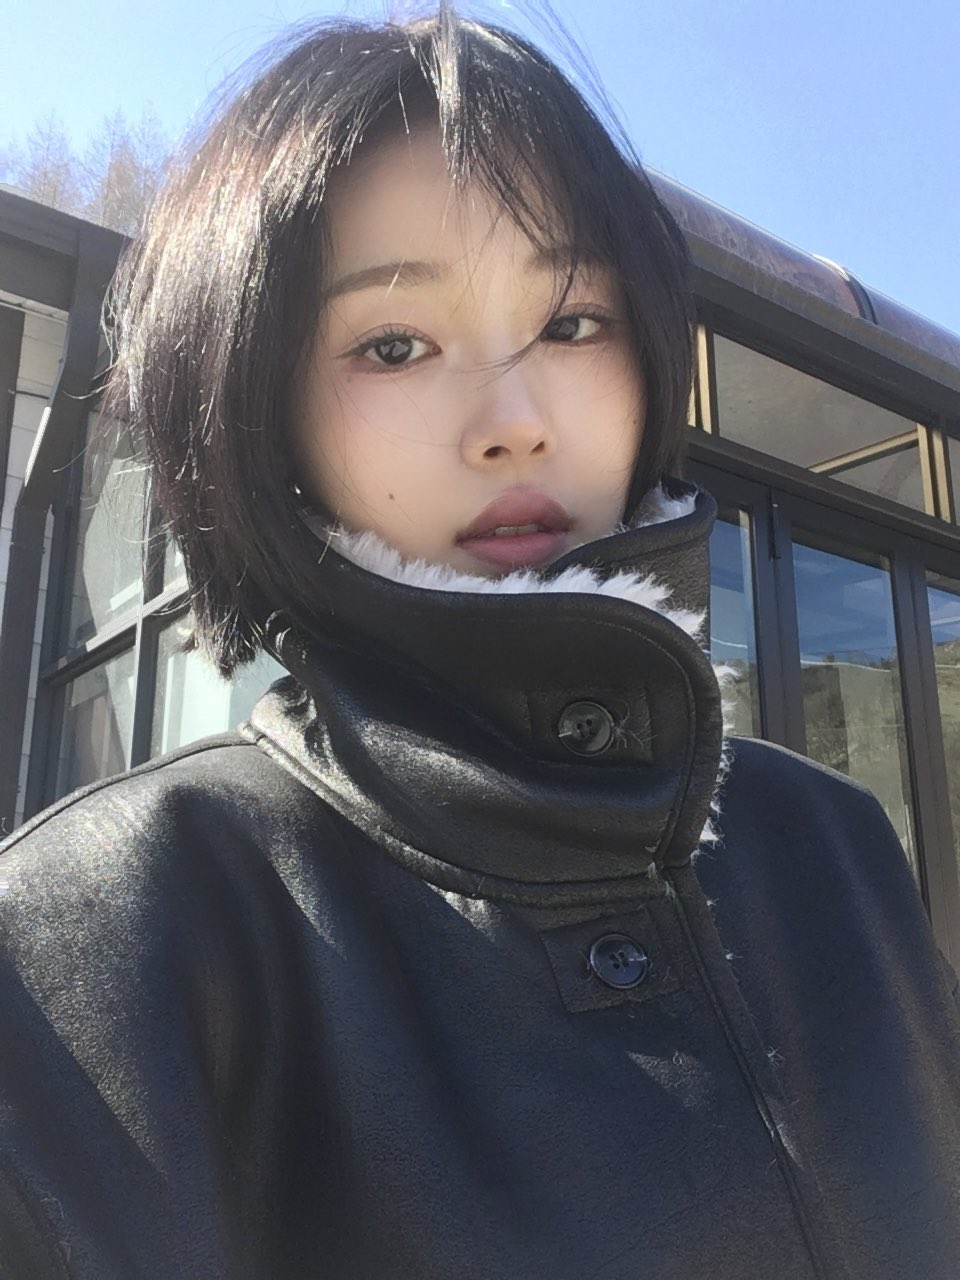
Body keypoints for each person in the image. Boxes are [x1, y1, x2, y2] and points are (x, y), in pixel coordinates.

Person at [1, 9, 958, 1279]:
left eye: (572, 323)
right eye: (394, 344)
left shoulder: (835, 847)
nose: (514, 420)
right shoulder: (96, 942)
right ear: (259, 402)